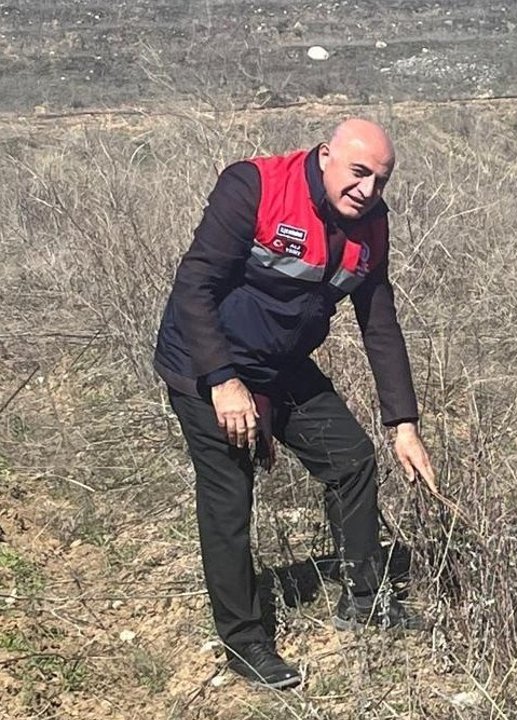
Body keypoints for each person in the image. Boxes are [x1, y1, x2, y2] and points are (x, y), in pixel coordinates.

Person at [154, 119, 436, 690]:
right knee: (230, 500)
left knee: (352, 459)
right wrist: (224, 381)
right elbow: (195, 286)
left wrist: (403, 424)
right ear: (326, 155)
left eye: (380, 181)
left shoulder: (371, 225)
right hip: (207, 363)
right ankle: (245, 641)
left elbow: (379, 321)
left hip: (280, 364)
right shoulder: (254, 186)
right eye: (358, 174)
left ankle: (366, 596)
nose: (367, 191)